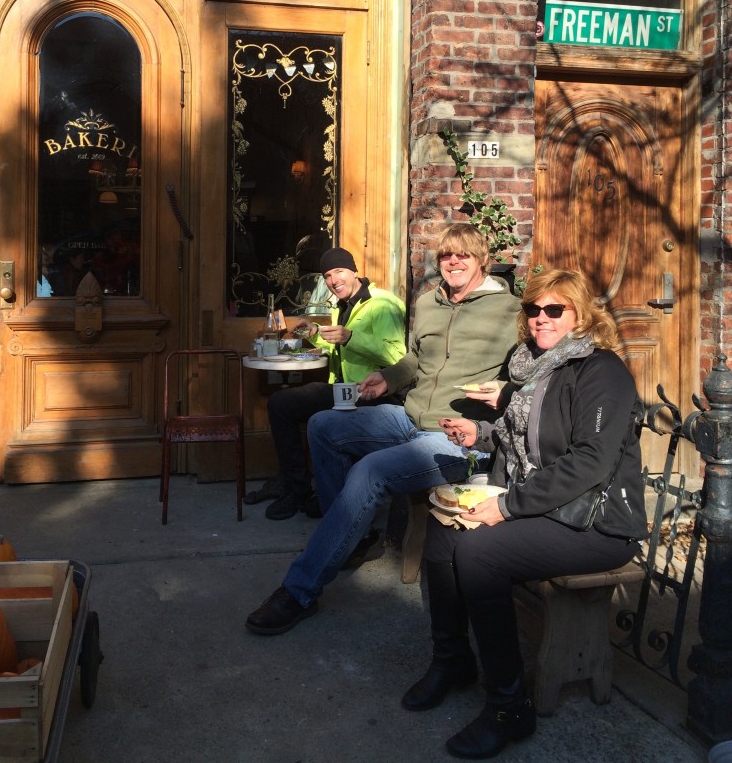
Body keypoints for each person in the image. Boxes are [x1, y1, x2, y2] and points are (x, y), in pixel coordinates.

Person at [403, 268, 647, 760]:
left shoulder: (601, 372)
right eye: (533, 309)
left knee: (480, 553)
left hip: (596, 522)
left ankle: (508, 706)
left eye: (555, 309)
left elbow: (589, 462)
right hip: (549, 506)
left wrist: (508, 506)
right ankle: (452, 659)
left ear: (581, 315)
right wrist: (482, 434)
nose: (541, 319)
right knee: (443, 528)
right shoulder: (531, 367)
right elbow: (529, 436)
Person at [245, 222, 519, 635]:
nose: (453, 262)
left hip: (457, 438)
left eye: (463, 254)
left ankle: (300, 590)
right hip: (407, 418)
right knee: (322, 424)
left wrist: (504, 392)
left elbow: (531, 377)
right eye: (446, 256)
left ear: (482, 259)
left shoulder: (512, 311)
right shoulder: (430, 303)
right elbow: (414, 360)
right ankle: (351, 537)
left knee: (369, 471)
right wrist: (388, 380)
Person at [252, 247, 407, 521]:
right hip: (343, 390)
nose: (334, 281)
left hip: (373, 393)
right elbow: (342, 345)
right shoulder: (343, 305)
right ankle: (296, 488)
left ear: (353, 271)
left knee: (309, 415)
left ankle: (324, 495)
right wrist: (315, 334)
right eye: (327, 276)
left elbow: (398, 357)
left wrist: (350, 337)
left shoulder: (383, 304)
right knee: (281, 403)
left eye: (339, 272)